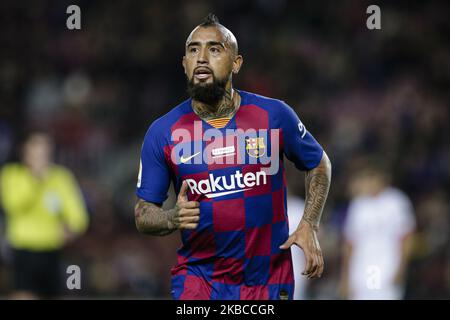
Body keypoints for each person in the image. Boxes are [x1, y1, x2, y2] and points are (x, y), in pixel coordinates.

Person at [134, 13, 331, 300]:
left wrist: (309, 223)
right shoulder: (162, 132)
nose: (202, 57)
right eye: (193, 50)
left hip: (268, 282)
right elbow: (143, 214)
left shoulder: (274, 115)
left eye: (214, 49)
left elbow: (319, 164)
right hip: (199, 281)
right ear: (184, 64)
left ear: (236, 63)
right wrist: (171, 218)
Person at [0, 131, 89, 299]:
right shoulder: (12, 175)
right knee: (23, 293)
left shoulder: (61, 177)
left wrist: (73, 228)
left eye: (46, 147)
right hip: (23, 248)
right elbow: (13, 205)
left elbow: (77, 213)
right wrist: (36, 179)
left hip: (53, 249)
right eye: (36, 147)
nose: (41, 153)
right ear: (25, 150)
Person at [340, 162, 416, 300]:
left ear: (381, 178)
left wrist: (401, 268)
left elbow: (407, 238)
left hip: (388, 267)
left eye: (369, 178)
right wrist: (345, 277)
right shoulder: (358, 205)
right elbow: (350, 243)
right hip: (361, 270)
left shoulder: (397, 201)